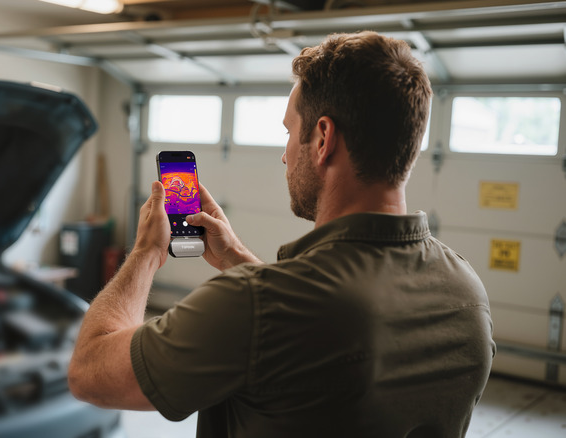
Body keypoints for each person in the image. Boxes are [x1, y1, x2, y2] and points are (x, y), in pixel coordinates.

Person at [68, 31, 495, 437]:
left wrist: (146, 251)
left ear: (323, 138)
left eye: (290, 132)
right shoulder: (466, 292)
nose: (285, 155)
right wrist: (236, 256)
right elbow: (312, 325)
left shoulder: (253, 305)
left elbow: (90, 371)